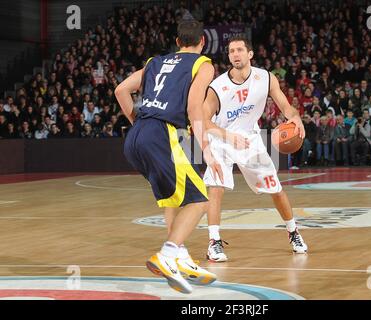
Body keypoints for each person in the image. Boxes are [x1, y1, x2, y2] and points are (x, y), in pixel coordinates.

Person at [115, 19, 223, 294]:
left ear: (177, 42)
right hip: (164, 134)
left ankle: (181, 257)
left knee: (175, 198)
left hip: (136, 135)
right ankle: (168, 253)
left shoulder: (154, 61)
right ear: (202, 42)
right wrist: (208, 152)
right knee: (200, 200)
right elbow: (193, 108)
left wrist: (138, 121)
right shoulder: (203, 64)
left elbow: (121, 90)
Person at [202, 36, 308, 262]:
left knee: (275, 188)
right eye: (231, 51)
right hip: (221, 138)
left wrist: (296, 118)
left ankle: (293, 232)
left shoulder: (266, 78)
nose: (235, 54)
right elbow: (203, 121)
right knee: (216, 187)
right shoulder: (217, 87)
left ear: (250, 54)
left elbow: (285, 107)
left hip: (250, 137)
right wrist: (228, 136)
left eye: (240, 50)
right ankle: (214, 242)